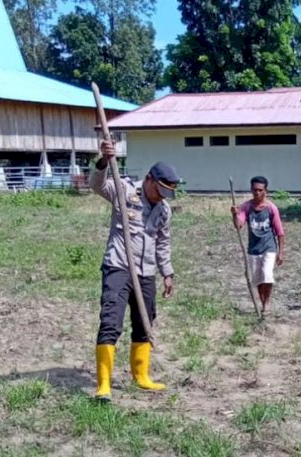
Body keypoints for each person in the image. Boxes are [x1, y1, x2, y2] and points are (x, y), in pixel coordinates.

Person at [91, 140, 180, 402]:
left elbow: (163, 241)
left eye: (169, 193)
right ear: (150, 180)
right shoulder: (125, 189)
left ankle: (141, 376)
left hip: (146, 272)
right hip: (118, 266)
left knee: (145, 321)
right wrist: (104, 162)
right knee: (111, 320)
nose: (163, 197)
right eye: (161, 190)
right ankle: (104, 385)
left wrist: (167, 272)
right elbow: (97, 185)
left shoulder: (163, 210)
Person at [231, 176, 285, 315]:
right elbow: (239, 225)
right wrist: (234, 215)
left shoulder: (271, 208)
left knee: (267, 275)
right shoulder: (247, 207)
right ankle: (262, 303)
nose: (257, 193)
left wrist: (281, 252)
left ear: (265, 191)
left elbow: (280, 232)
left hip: (269, 247)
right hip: (253, 249)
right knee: (258, 279)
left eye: (260, 190)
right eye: (255, 190)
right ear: (251, 190)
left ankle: (267, 303)